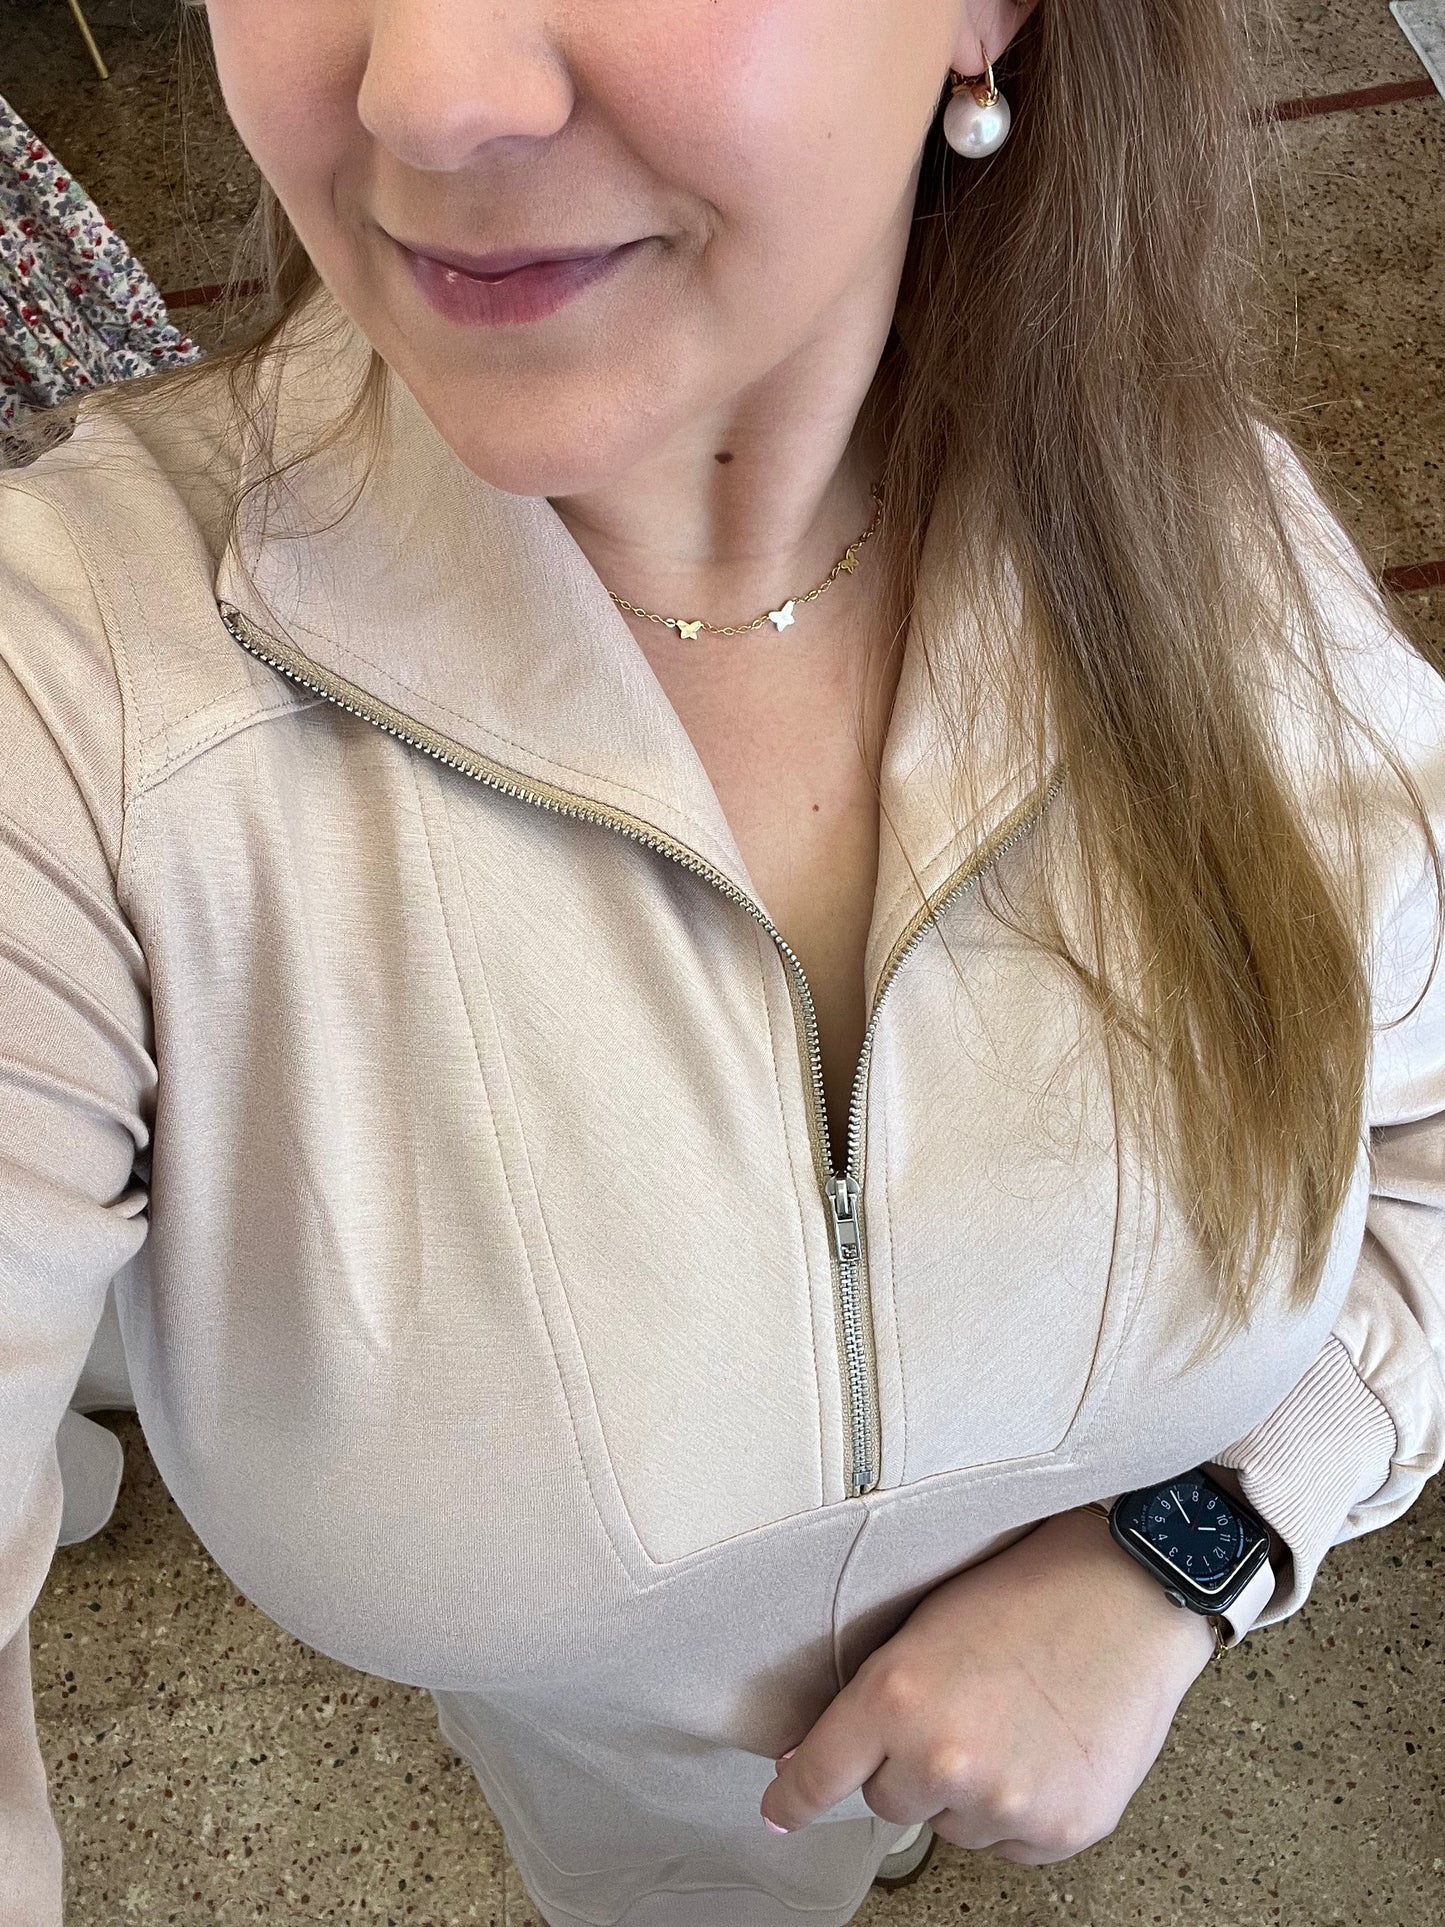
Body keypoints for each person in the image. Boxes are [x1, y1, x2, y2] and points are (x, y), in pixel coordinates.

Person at [2, 3, 1442, 1922]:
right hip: (636, 1819)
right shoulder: (66, 702)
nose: (427, 93)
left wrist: (1183, 1552)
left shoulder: (1237, 580)